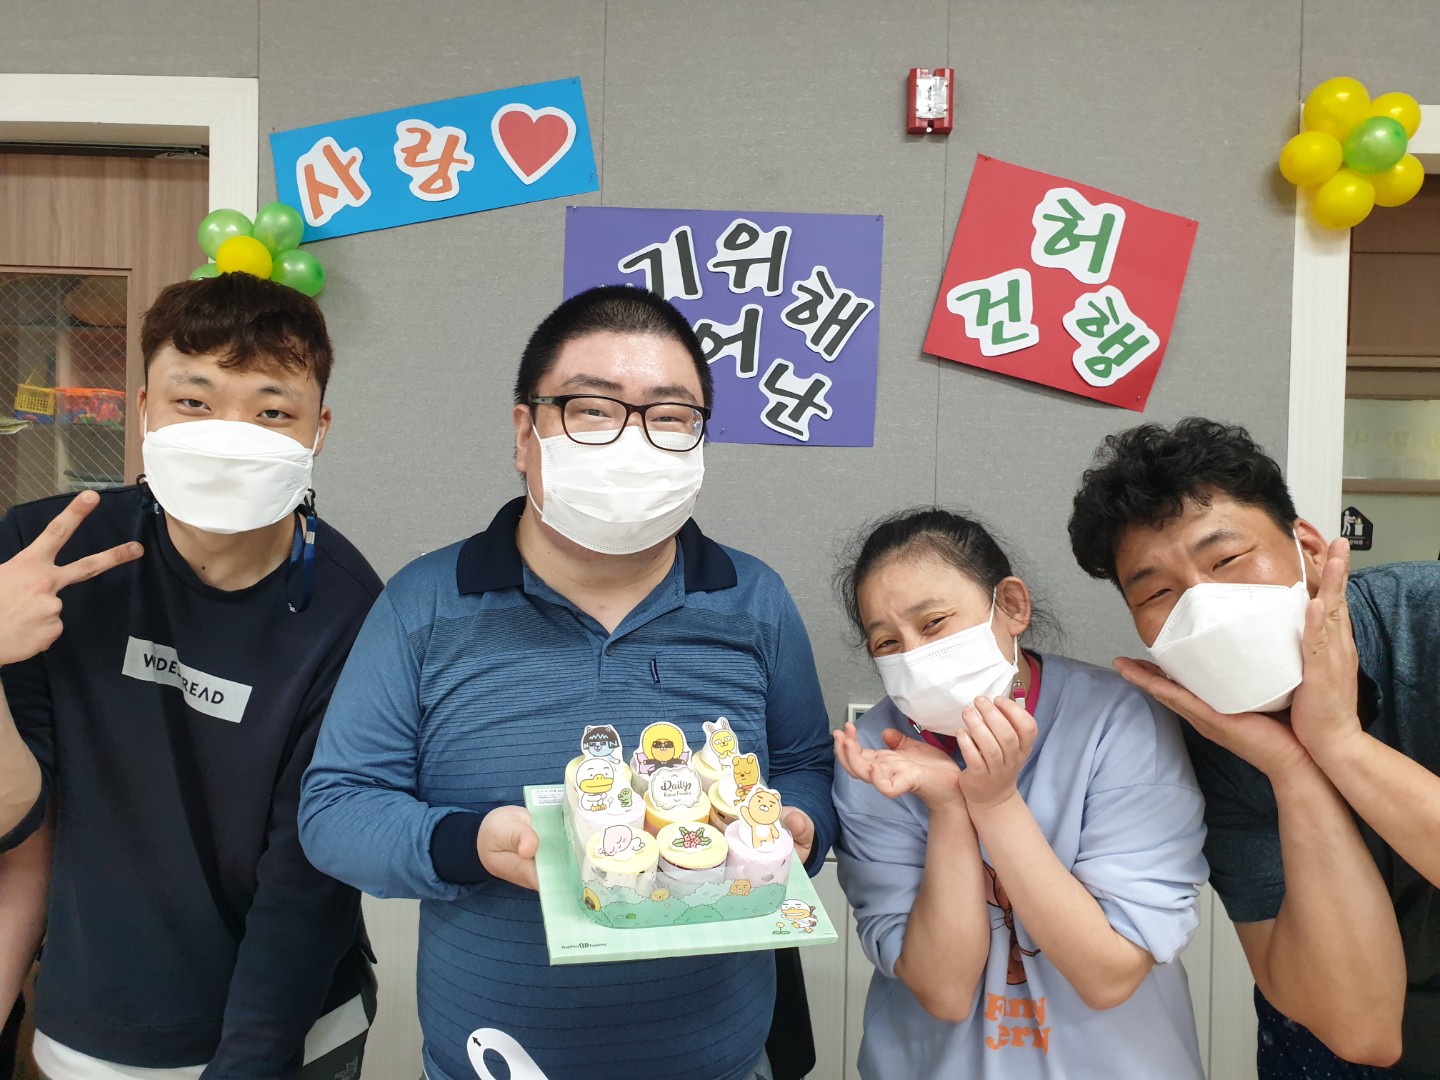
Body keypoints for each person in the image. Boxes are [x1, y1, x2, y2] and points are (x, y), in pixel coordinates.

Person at [299, 285, 837, 1080]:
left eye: (669, 416)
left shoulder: (754, 601)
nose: (632, 439)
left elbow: (805, 764)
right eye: (592, 409)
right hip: (491, 1063)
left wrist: (801, 824)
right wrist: (466, 844)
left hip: (724, 1061)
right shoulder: (423, 605)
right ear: (526, 433)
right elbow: (337, 809)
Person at [0, 272, 382, 1079]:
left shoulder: (350, 609)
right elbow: (19, 814)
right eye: (194, 401)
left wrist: (249, 1063)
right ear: (145, 409)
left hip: (289, 1029)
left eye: (272, 412)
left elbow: (308, 877)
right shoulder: (48, 555)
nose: (230, 435)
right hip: (92, 1026)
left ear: (318, 430)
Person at [1068, 417, 1440, 1078]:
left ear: (1308, 548)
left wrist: (1339, 742)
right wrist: (1291, 768)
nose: (1205, 606)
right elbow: (1360, 1028)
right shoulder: (1197, 745)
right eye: (1158, 592)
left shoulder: (1427, 617)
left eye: (1228, 559)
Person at [831, 507, 1208, 1079]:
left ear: (1010, 606)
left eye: (933, 624)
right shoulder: (873, 756)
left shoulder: (1117, 719)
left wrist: (994, 802)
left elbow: (1107, 974)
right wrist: (949, 807)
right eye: (886, 642)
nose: (913, 657)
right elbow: (944, 991)